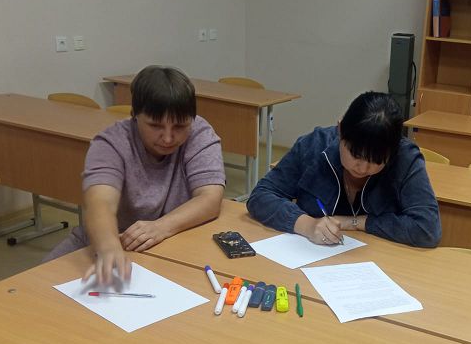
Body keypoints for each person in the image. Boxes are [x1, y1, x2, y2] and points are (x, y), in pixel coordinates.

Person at [44, 65, 226, 284]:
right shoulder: (112, 143)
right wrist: (109, 247)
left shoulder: (200, 133)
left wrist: (161, 227)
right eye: (155, 125)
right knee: (37, 287)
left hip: (171, 240)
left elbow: (210, 198)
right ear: (134, 116)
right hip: (105, 242)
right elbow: (100, 203)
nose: (168, 138)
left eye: (179, 126)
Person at [247, 91, 440, 248]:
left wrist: (355, 223)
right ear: (340, 130)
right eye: (355, 155)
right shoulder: (314, 145)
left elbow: (427, 229)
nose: (363, 168)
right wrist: (307, 225)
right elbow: (261, 195)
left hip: (380, 261)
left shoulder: (406, 158)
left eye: (376, 161)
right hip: (312, 256)